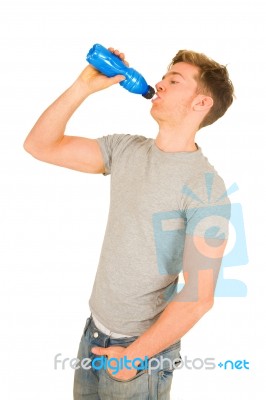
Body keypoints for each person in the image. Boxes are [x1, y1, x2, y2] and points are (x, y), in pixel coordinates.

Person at [24, 46, 234, 399]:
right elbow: (39, 145)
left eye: (173, 80)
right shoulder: (125, 150)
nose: (158, 84)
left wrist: (132, 358)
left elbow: (199, 296)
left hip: (141, 353)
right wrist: (83, 86)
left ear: (201, 104)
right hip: (93, 334)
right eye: (163, 77)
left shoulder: (206, 189)